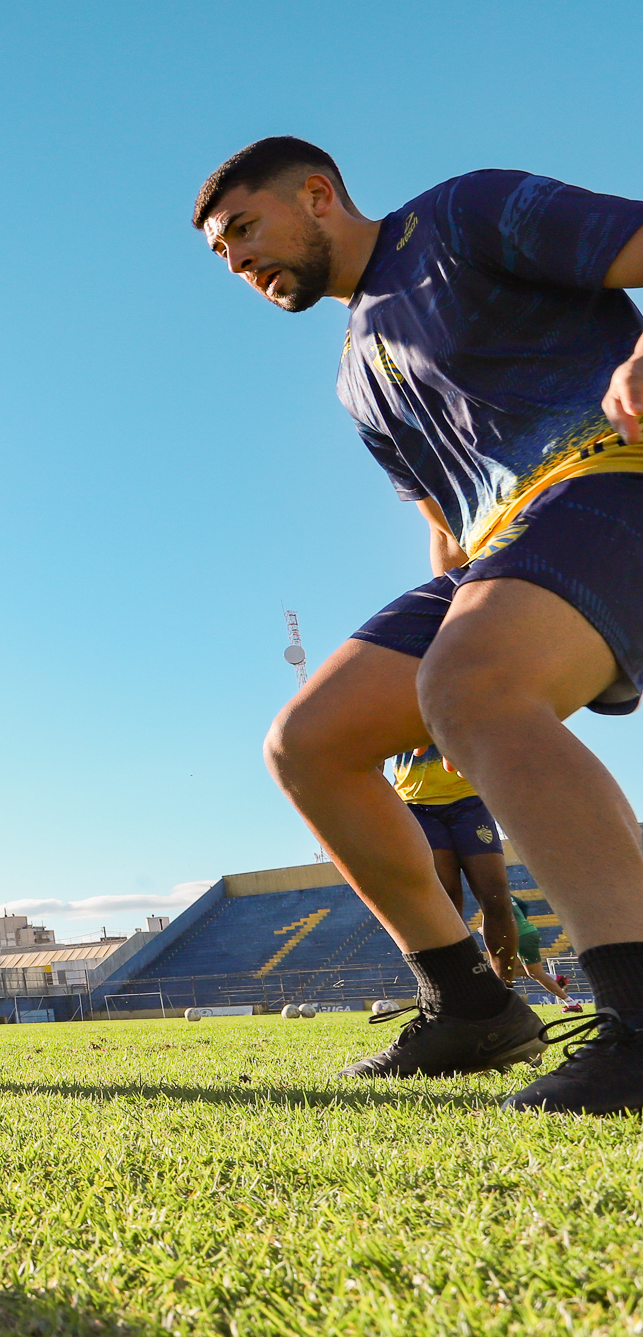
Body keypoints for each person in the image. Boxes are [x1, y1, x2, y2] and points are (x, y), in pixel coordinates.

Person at [197, 137, 643, 1109]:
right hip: (504, 543)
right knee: (306, 744)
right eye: (221, 258)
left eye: (242, 229)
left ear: (316, 195)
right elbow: (442, 524)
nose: (236, 261)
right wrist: (451, 611)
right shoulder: (354, 376)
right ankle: (467, 1006)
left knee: (472, 687)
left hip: (614, 476)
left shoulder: (462, 217)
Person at [389, 747, 517, 974]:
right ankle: (461, 983)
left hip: (469, 799)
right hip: (416, 805)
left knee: (495, 896)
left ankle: (505, 986)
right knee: (445, 900)